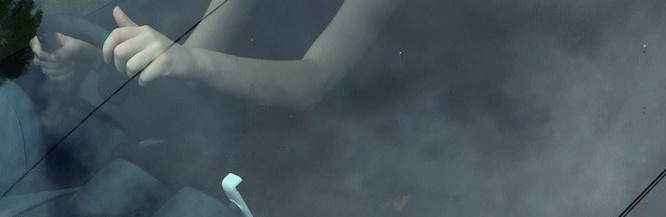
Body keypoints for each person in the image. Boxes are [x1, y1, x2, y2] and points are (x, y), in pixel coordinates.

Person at [30, 0, 398, 110]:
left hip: (330, 142)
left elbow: (313, 80)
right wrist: (93, 53)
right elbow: (182, 68)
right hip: (223, 132)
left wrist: (191, 61)